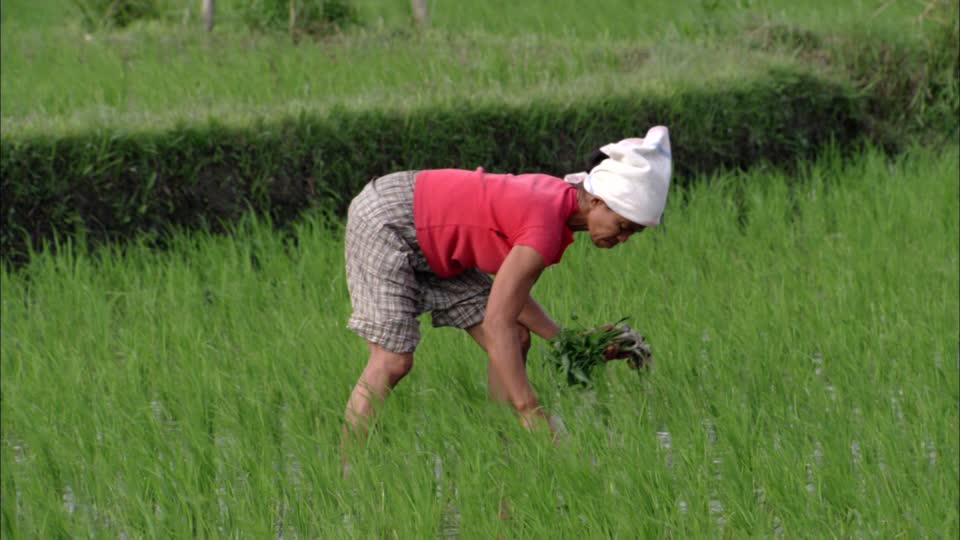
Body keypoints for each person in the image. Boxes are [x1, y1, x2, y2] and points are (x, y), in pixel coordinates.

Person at [341, 125, 672, 439]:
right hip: (391, 220)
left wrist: (568, 342)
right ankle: (350, 468)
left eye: (632, 232)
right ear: (597, 201)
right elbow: (496, 321)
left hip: (433, 238)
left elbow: (510, 297)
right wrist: (530, 409)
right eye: (622, 226)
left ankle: (498, 445)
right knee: (393, 360)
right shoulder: (544, 229)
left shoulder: (559, 208)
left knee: (516, 336)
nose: (623, 238)